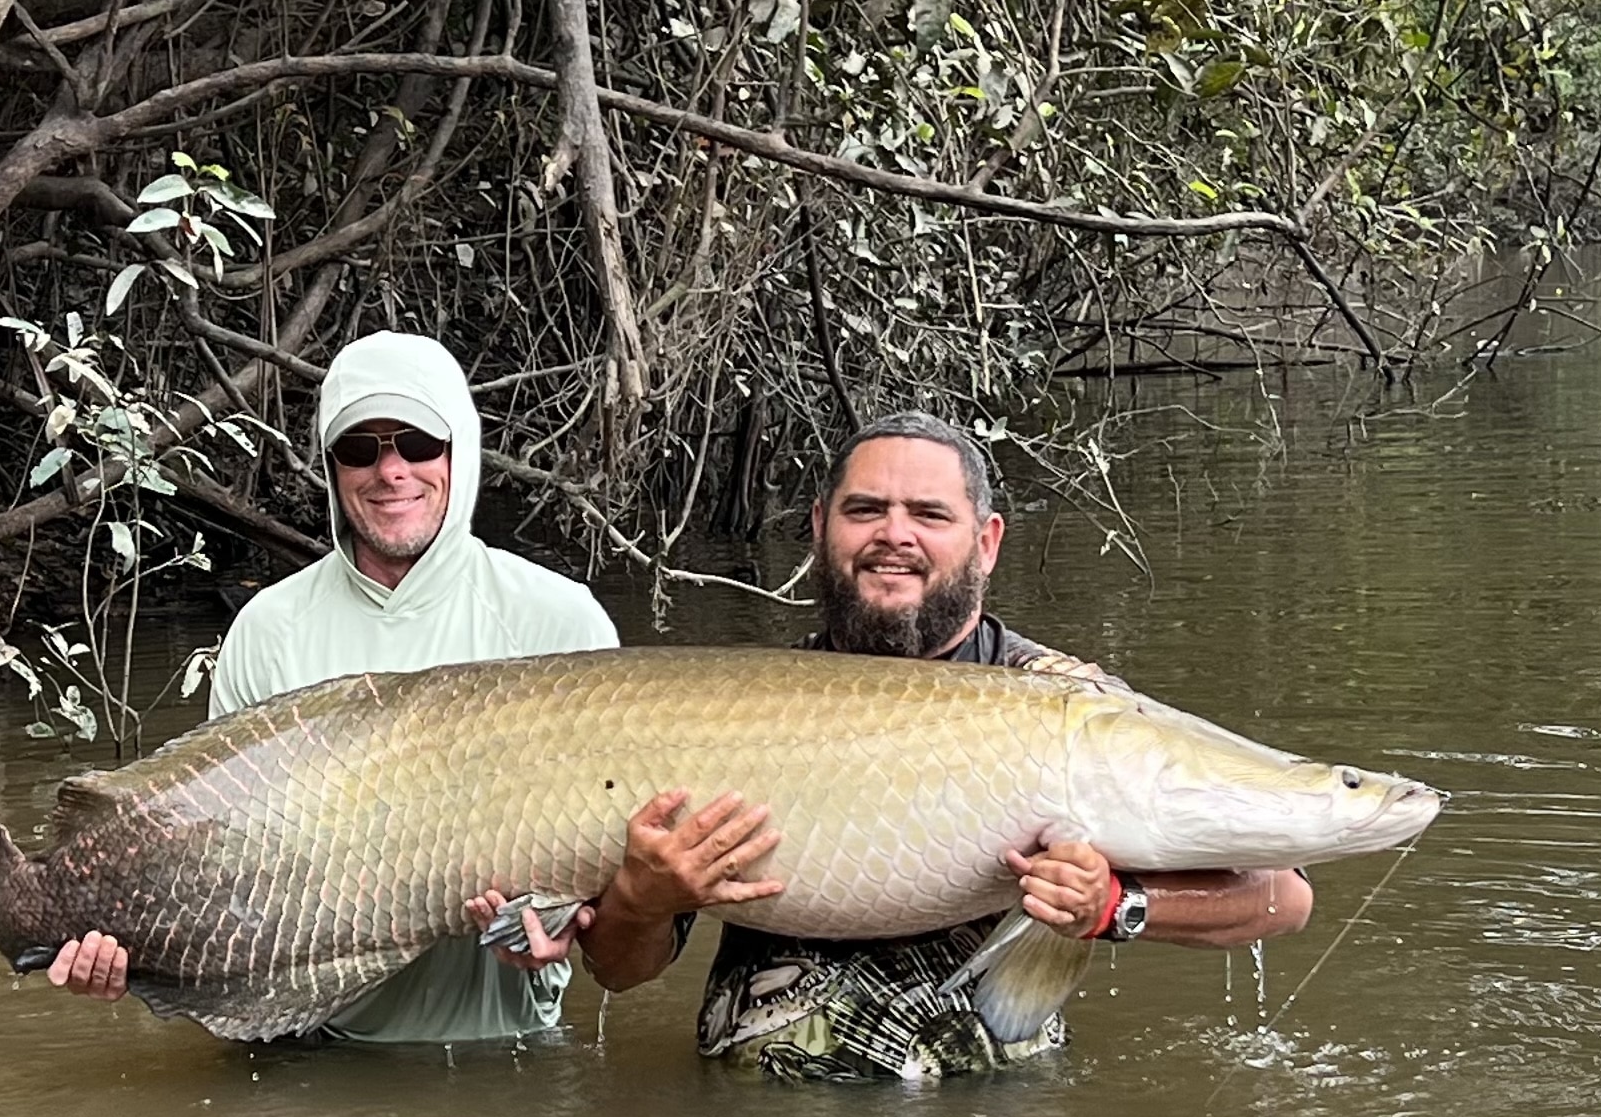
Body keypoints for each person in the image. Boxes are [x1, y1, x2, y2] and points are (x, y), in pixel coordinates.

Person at [481, 410, 1315, 1080]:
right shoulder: (731, 704)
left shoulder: (1066, 701)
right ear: (819, 528)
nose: (894, 535)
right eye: (864, 510)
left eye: (928, 514)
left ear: (984, 542)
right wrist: (642, 896)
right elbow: (622, 972)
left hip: (988, 1114)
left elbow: (1279, 894)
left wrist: (1117, 907)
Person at [46, 331, 781, 1042]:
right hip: (304, 1047)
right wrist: (129, 954)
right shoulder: (268, 629)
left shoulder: (558, 617)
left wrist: (563, 927)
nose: (390, 470)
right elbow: (221, 859)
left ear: (458, 449)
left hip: (508, 1047)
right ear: (332, 465)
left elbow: (618, 898)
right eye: (361, 448)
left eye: (418, 444)